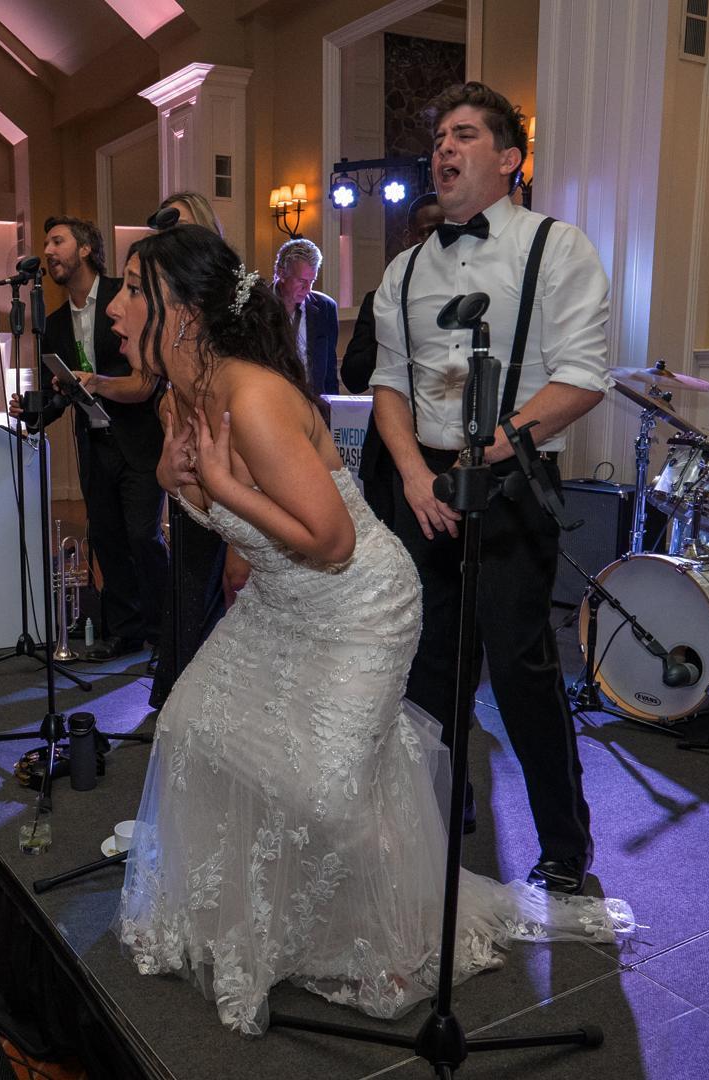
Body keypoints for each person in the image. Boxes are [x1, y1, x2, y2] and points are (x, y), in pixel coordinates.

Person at [106, 223, 633, 1036]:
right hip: (285, 599)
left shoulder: (252, 396)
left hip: (358, 603)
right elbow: (219, 509)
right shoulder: (180, 396)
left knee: (327, 791)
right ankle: (259, 907)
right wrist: (177, 475)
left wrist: (218, 486)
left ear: (181, 313)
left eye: (133, 290)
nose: (114, 307)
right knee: (191, 723)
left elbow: (331, 541)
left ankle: (396, 931)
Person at [370, 82, 611, 894]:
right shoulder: (404, 268)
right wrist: (415, 475)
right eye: (440, 135)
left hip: (511, 479)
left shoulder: (556, 247)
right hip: (423, 483)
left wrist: (483, 454)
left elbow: (580, 379)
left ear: (509, 159)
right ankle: (439, 817)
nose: (444, 147)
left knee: (519, 668)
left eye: (465, 134)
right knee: (426, 665)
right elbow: (389, 384)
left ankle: (565, 846)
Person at [23, 215, 167, 661]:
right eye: (46, 244)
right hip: (94, 445)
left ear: (85, 248)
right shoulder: (52, 323)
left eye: (58, 241)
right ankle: (125, 632)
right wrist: (33, 412)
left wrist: (97, 382)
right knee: (106, 539)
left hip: (139, 440)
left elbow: (148, 375)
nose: (48, 251)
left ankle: (167, 631)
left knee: (143, 536)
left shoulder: (124, 296)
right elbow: (59, 394)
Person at [147, 192, 229, 711]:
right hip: (186, 464)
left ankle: (206, 700)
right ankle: (180, 694)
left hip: (226, 469)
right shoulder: (162, 311)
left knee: (219, 584)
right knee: (189, 581)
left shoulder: (227, 312)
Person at [341, 192, 447, 526]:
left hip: (445, 455)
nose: (434, 240)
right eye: (426, 231)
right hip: (386, 461)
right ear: (409, 237)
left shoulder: (465, 300)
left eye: (442, 229)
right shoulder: (380, 299)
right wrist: (394, 332)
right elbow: (353, 377)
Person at [271, 237, 340, 397]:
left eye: (312, 281)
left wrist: (332, 407)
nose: (307, 289)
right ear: (281, 273)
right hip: (271, 400)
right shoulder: (257, 306)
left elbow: (330, 370)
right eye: (302, 281)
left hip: (313, 402)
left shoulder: (325, 307)